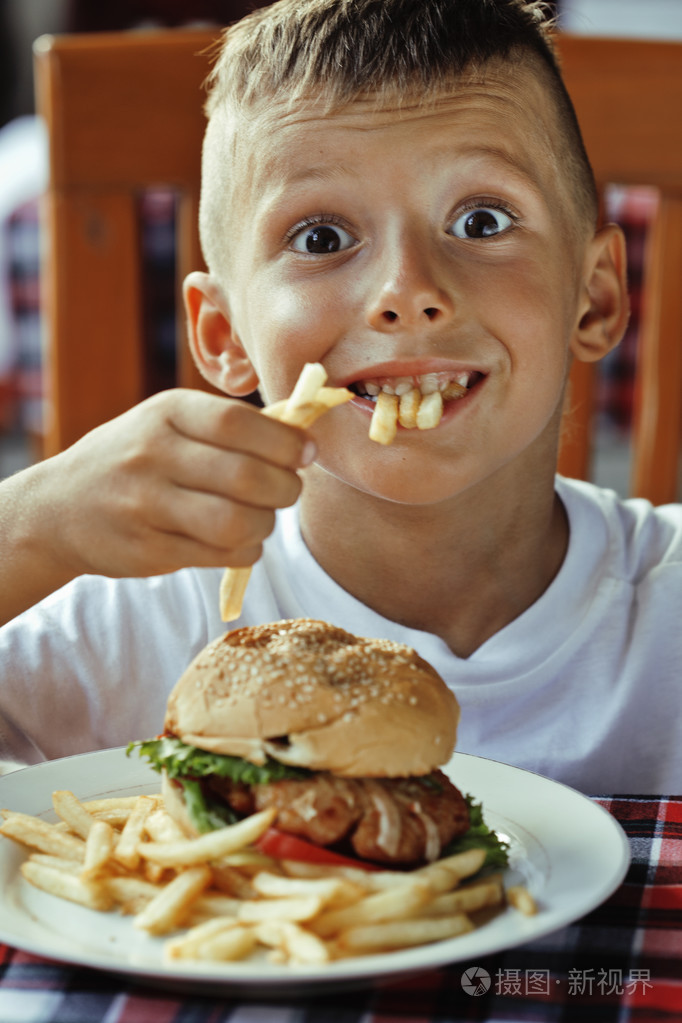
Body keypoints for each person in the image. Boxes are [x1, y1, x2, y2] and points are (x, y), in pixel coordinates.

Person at [0, 0, 678, 794]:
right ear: (224, 337)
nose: (408, 291)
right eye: (321, 238)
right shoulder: (138, 625)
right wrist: (30, 524)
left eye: (483, 220)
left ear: (594, 300)